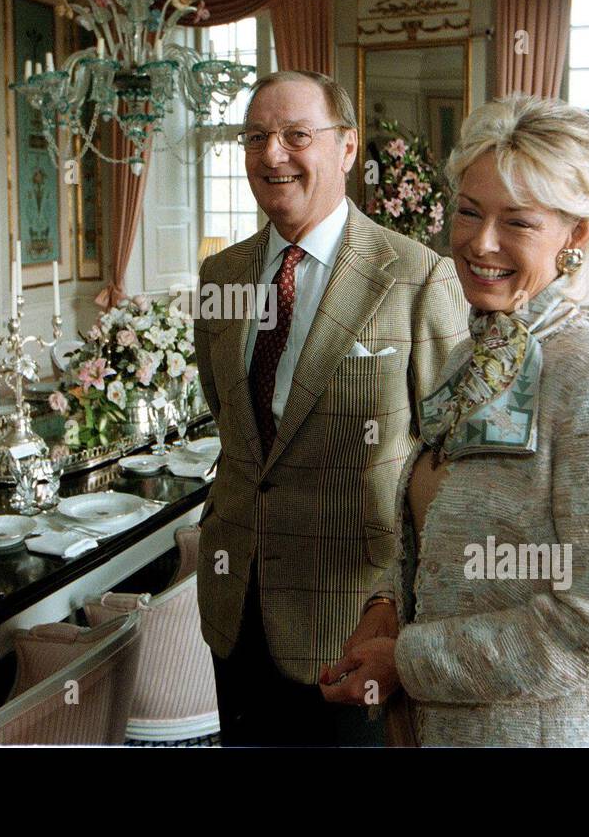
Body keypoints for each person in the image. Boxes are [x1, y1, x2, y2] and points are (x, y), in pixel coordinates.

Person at [321, 93, 589, 747]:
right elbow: (441, 535)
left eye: (519, 223)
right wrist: (390, 608)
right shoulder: (469, 356)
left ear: (578, 235)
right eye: (469, 212)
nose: (481, 244)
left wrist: (411, 661)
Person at [193, 70, 468, 746]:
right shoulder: (219, 277)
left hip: (353, 622)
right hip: (235, 606)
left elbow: (451, 462)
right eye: (256, 136)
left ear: (346, 149)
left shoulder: (418, 277)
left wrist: (405, 615)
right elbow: (235, 428)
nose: (272, 154)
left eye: (296, 135)